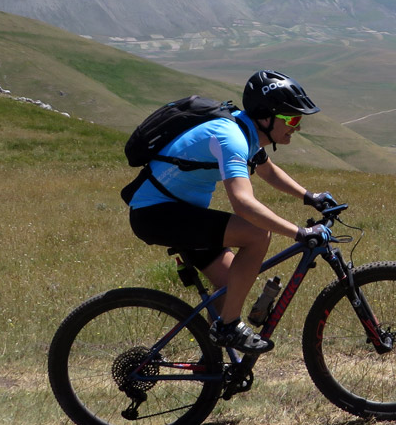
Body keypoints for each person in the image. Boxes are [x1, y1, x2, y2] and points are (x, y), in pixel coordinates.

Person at [125, 70, 337, 353]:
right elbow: (243, 203)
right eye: (292, 119)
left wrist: (310, 196)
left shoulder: (244, 130)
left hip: (177, 212)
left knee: (229, 287)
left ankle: (214, 364)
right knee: (257, 235)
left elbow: (266, 170)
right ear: (266, 117)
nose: (296, 128)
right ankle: (228, 329)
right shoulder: (231, 137)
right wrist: (299, 233)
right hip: (157, 215)